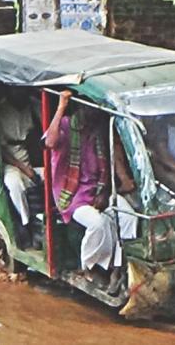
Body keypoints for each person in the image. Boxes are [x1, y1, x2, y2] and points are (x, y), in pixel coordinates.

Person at [45, 90, 138, 295]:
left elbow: (107, 167)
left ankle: (117, 267)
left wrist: (104, 193)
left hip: (98, 192)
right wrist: (61, 107)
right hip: (72, 196)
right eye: (86, 108)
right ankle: (89, 267)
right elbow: (50, 142)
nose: (90, 113)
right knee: (99, 223)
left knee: (129, 216)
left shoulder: (98, 132)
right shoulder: (67, 125)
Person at [0, 87, 41, 246]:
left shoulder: (31, 108)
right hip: (10, 160)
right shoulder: (2, 111)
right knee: (15, 184)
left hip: (28, 155)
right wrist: (24, 168)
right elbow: (2, 149)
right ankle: (26, 224)